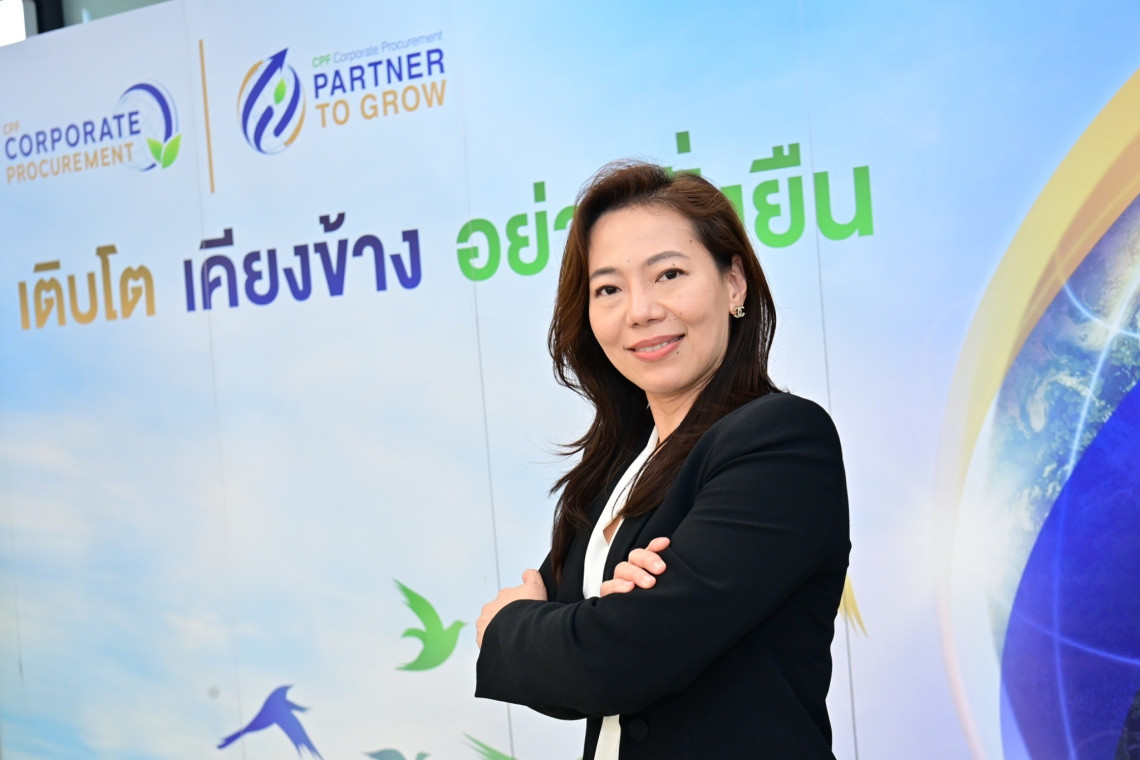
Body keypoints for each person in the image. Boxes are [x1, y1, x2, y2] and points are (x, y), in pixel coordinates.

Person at [474, 161, 849, 759]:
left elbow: (610, 663)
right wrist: (599, 626)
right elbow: (570, 674)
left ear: (734, 284)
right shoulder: (617, 465)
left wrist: (508, 624)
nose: (640, 311)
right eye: (609, 289)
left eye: (669, 274)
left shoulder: (782, 441)